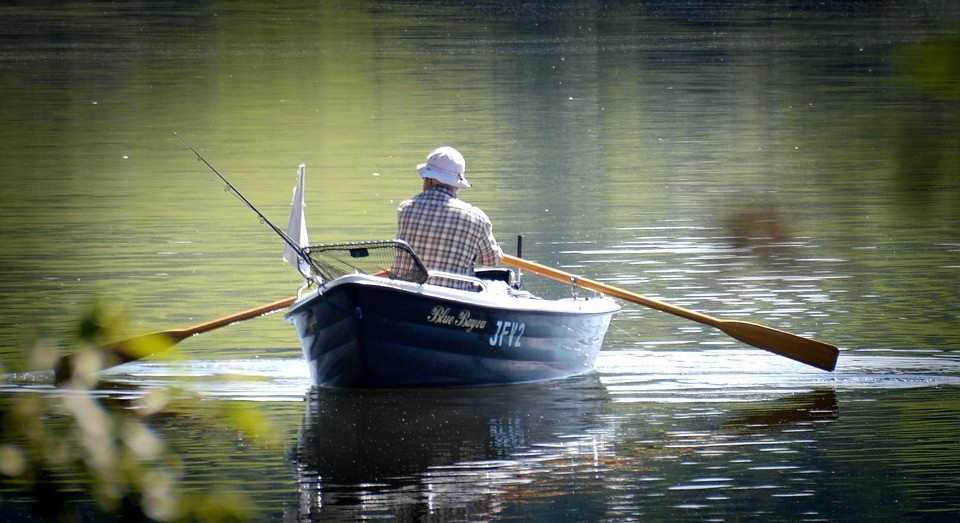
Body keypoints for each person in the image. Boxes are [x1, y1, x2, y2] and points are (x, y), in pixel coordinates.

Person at [393, 146, 503, 290]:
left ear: (429, 179)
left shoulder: (405, 208)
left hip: (406, 294)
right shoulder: (477, 219)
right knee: (501, 287)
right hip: (454, 298)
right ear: (456, 184)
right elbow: (491, 260)